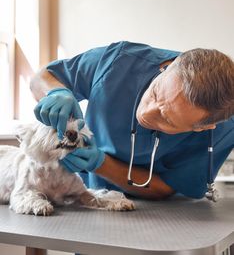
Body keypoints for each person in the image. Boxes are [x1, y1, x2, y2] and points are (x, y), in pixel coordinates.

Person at [30, 41, 234, 200]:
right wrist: (56, 92)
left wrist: (100, 163)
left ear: (204, 127)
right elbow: (42, 77)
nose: (146, 113)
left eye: (167, 120)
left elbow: (167, 187)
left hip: (163, 219)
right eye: (155, 93)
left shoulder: (221, 130)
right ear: (167, 67)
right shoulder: (119, 61)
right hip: (91, 198)